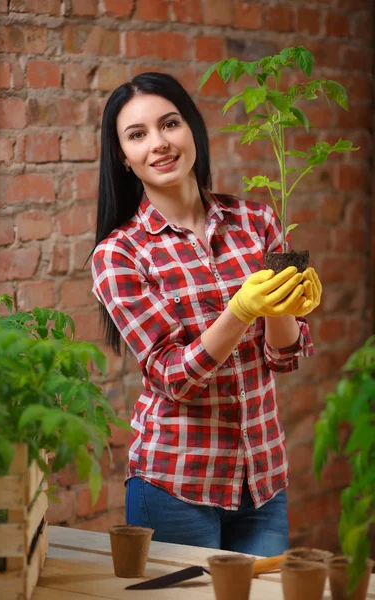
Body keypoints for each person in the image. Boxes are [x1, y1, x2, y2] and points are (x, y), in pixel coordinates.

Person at [91, 72, 322, 557]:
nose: (159, 143)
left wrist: (283, 309)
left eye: (169, 124)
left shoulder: (256, 222)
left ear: (192, 128)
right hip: (174, 484)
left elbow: (283, 358)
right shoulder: (120, 255)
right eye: (138, 135)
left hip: (262, 481)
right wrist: (240, 310)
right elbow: (174, 377)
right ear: (124, 158)